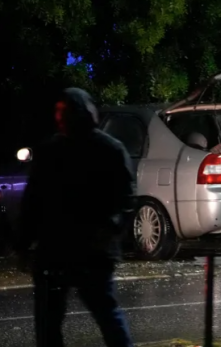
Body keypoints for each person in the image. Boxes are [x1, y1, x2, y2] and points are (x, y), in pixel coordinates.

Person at [13, 88, 136, 346]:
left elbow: (33, 202)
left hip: (66, 250)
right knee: (104, 315)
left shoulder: (54, 151)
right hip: (82, 250)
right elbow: (125, 201)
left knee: (53, 322)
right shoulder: (109, 149)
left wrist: (23, 245)